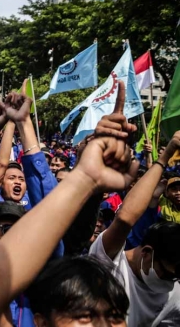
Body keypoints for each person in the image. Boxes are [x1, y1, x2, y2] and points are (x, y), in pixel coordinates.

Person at [0, 80, 138, 326]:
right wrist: (85, 178)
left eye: (115, 317)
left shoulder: (46, 272)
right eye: (85, 317)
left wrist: (23, 124)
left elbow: (61, 225)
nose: (102, 325)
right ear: (42, 322)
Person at [89, 131, 180, 326]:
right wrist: (164, 157)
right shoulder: (109, 265)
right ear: (147, 253)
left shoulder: (175, 293)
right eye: (168, 274)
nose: (171, 282)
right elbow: (124, 220)